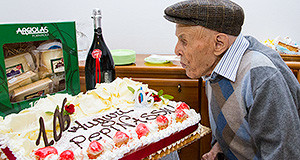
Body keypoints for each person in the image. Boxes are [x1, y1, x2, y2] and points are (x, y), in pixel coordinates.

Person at [163, 0, 300, 159]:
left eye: (184, 41)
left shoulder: (262, 77)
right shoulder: (214, 64)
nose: (177, 50)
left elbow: (284, 155)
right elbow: (239, 122)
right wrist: (218, 147)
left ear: (219, 43)